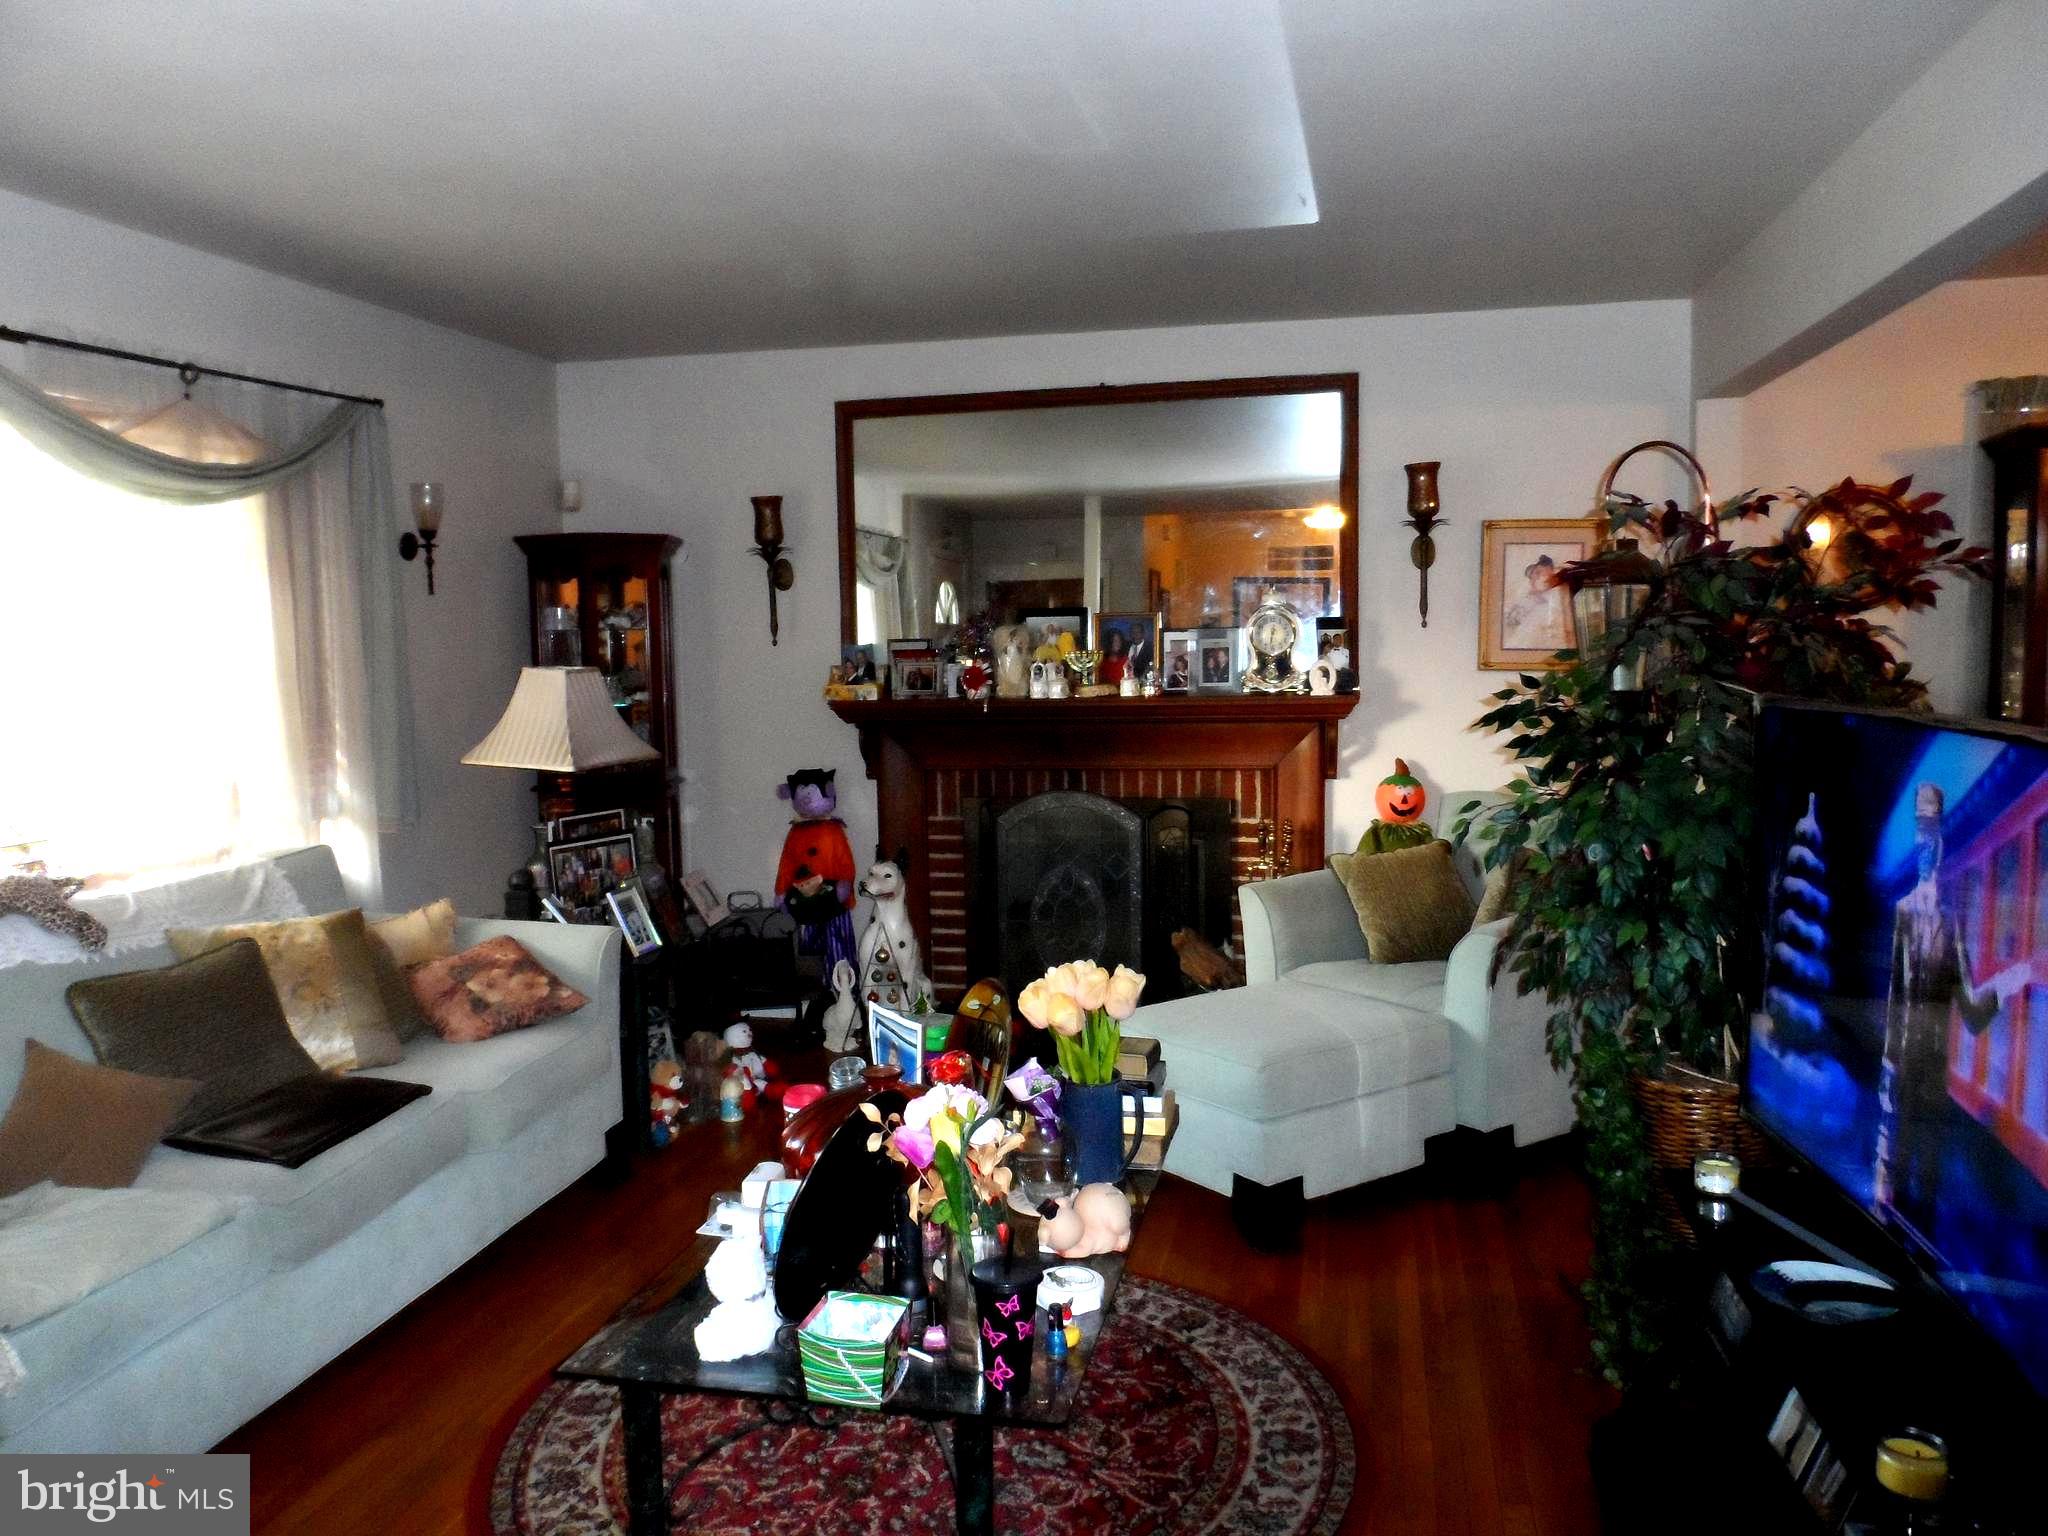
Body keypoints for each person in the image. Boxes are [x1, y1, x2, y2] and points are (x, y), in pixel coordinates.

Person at [1876, 783, 2025, 1222]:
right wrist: (1887, 1061)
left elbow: (1975, 1017)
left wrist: (2006, 985)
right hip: (1901, 1066)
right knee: (1895, 1176)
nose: (1927, 842)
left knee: (1928, 1182)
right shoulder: (1901, 913)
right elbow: (1892, 995)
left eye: (1933, 830)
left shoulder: (1953, 926)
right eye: (1922, 827)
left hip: (1932, 1071)